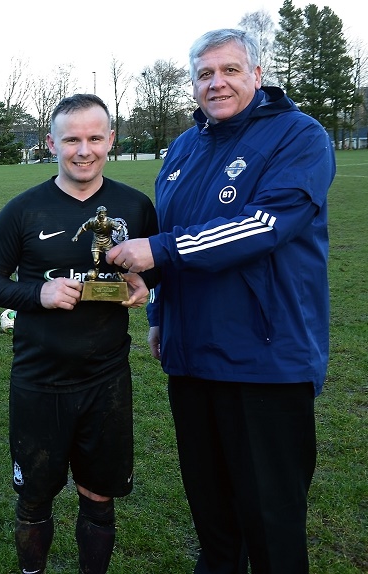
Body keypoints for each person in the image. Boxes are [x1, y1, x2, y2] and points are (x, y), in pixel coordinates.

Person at [105, 29, 334, 574]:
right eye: (205, 74)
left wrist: (158, 250)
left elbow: (263, 225)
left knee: (272, 524)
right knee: (213, 521)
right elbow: (173, 229)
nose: (217, 82)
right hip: (191, 357)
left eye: (230, 70)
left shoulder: (298, 136)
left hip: (265, 360)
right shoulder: (185, 146)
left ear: (257, 74)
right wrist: (160, 316)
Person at [0, 93, 158, 574]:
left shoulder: (134, 207)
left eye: (95, 138)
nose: (83, 149)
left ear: (110, 141)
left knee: (99, 497)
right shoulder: (23, 210)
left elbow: (154, 268)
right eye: (71, 138)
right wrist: (40, 294)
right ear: (50, 141)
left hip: (107, 380)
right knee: (34, 499)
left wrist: (145, 286)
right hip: (39, 381)